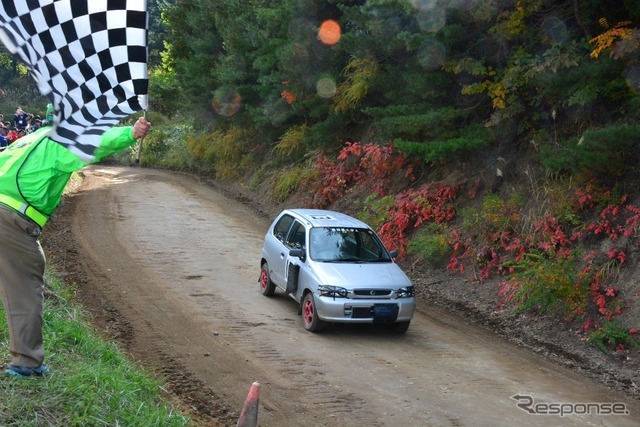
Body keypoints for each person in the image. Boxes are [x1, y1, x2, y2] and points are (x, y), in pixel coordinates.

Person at [0, 116, 151, 378]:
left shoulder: (29, 139)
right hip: (12, 218)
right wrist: (131, 133)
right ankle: (27, 364)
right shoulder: (61, 138)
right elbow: (97, 143)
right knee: (24, 290)